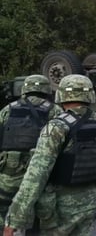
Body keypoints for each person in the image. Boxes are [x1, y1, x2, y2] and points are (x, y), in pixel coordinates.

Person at [3, 74, 96, 236]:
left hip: (58, 207)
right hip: (89, 201)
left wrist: (15, 218)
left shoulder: (57, 127)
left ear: (61, 94)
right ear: (90, 94)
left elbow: (36, 175)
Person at [0, 75, 63, 230]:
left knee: (3, 207)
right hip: (40, 173)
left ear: (25, 88)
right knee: (39, 209)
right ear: (47, 89)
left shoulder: (8, 109)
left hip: (8, 171)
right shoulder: (55, 110)